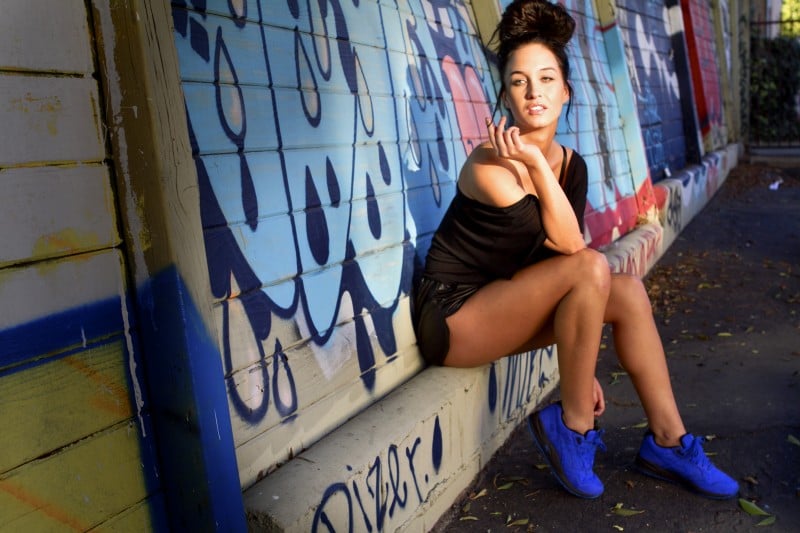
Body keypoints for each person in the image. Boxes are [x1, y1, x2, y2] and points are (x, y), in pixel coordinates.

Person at [412, 0, 738, 500]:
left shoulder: (572, 166)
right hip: (454, 318)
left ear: (565, 90)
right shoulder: (488, 167)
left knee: (627, 293)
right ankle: (574, 427)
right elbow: (572, 248)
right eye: (519, 81)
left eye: (546, 79)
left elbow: (558, 266)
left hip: (508, 302)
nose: (534, 92)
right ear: (505, 96)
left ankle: (669, 442)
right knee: (590, 266)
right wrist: (534, 164)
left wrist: (578, 370)